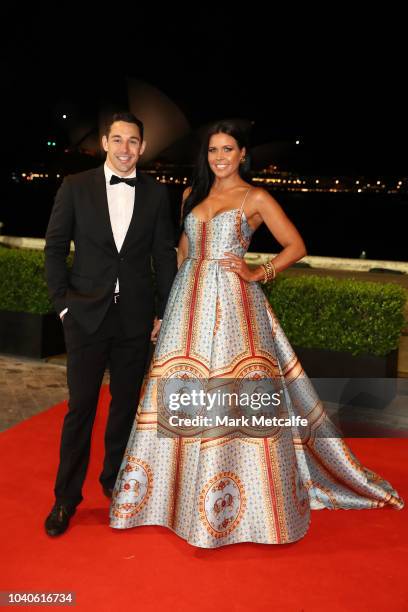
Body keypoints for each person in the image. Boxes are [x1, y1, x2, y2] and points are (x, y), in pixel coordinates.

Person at [109, 120, 403, 548]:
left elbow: (296, 246)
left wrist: (256, 272)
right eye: (213, 150)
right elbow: (184, 251)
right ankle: (168, 498)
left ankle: (233, 499)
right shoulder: (192, 195)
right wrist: (166, 308)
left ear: (243, 153)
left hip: (232, 306)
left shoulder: (256, 197)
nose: (220, 157)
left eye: (228, 149)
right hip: (186, 305)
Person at [44, 111, 177, 536]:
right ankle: (65, 499)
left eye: (132, 141)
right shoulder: (75, 186)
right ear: (104, 142)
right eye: (117, 140)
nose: (125, 149)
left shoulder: (157, 194)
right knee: (80, 408)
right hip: (84, 316)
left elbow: (162, 257)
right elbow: (53, 250)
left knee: (124, 408)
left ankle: (114, 484)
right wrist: (64, 306)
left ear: (142, 146)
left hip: (134, 319)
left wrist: (163, 312)